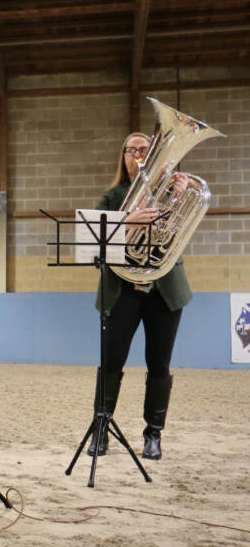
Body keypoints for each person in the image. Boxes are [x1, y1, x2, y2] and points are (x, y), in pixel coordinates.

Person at [87, 131, 191, 461]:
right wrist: (127, 222)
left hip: (163, 290)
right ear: (123, 157)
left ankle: (153, 435)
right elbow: (94, 250)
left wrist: (179, 197)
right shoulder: (111, 197)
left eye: (144, 148)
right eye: (130, 149)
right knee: (110, 364)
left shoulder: (170, 193)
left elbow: (177, 236)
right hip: (122, 291)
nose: (137, 154)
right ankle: (101, 430)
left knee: (159, 365)